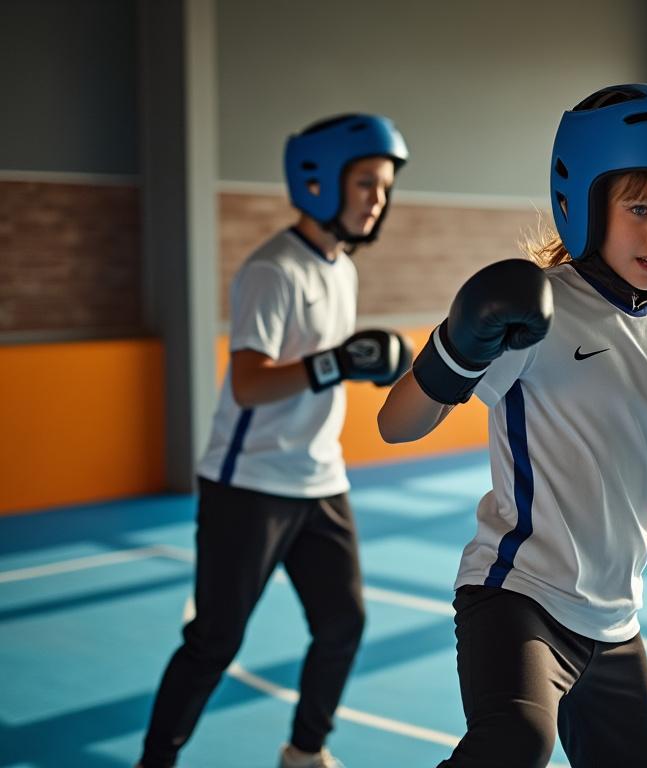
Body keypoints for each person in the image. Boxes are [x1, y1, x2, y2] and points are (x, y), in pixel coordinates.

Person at [377, 83, 647, 768]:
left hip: (613, 622)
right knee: (516, 742)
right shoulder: (537, 309)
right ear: (586, 202)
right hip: (519, 599)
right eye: (640, 207)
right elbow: (397, 425)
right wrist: (453, 348)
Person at [137, 113, 412, 768]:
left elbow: (323, 367)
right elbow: (250, 382)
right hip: (249, 485)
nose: (378, 200)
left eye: (383, 187)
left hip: (319, 479)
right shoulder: (272, 270)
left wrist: (360, 365)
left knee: (343, 624)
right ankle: (155, 762)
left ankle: (303, 752)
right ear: (319, 183)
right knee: (215, 639)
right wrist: (337, 363)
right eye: (366, 184)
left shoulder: (340, 268)